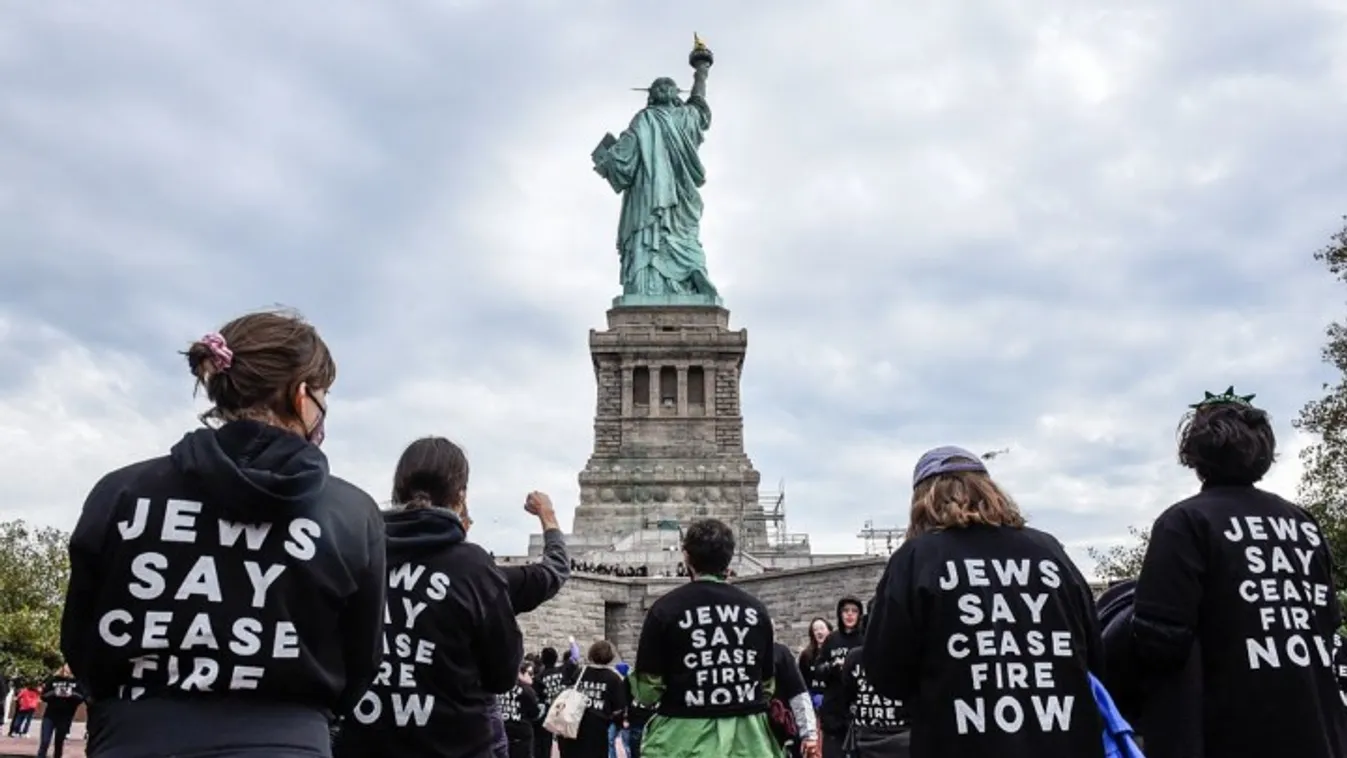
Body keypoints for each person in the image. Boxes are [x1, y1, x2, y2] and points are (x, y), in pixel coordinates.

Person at [58, 310, 386, 757]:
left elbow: (81, 634)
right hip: (288, 740)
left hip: (135, 735)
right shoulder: (353, 514)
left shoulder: (122, 492)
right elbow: (361, 657)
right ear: (301, 395)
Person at [1131, 387, 1347, 758]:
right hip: (1318, 729)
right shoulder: (1302, 522)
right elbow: (1327, 623)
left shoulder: (1184, 522)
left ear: (1194, 454)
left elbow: (1159, 642)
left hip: (1229, 732)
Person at [864, 445, 1104, 758]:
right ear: (989, 490)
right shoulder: (1049, 551)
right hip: (1065, 742)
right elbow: (1094, 653)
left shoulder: (916, 559)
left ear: (923, 499)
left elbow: (885, 675)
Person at [335, 436, 525, 758]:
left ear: (397, 489)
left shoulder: (354, 554)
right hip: (456, 746)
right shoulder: (472, 567)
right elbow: (503, 673)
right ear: (460, 497)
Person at [629, 518, 777, 758]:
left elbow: (647, 691)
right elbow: (767, 685)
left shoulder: (665, 609)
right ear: (729, 557)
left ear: (686, 556)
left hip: (681, 740)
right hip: (749, 742)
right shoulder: (757, 611)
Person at [829, 642, 909, 758]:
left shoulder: (855, 656)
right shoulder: (913, 652)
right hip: (891, 735)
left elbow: (847, 695)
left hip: (875, 735)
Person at [555, 640, 627, 758]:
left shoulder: (580, 672)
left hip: (575, 725)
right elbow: (619, 708)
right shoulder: (614, 679)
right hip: (598, 730)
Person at [815, 597, 865, 758]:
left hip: (857, 708)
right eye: (846, 611)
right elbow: (818, 669)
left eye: (854, 611)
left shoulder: (864, 638)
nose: (850, 615)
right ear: (840, 614)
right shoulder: (832, 639)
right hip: (833, 709)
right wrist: (833, 666)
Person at [37, 664, 84, 758]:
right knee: (45, 741)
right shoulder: (53, 680)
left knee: (59, 741)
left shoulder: (76, 682)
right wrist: (54, 693)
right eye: (65, 667)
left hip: (65, 716)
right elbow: (43, 696)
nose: (66, 670)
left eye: (69, 668)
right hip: (50, 715)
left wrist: (71, 694)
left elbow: (81, 698)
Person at [500, 663, 544, 758]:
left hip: (502, 731)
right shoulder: (527, 690)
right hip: (521, 734)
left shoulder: (498, 688)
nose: (532, 677)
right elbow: (535, 713)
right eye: (530, 673)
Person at [533, 647, 569, 758]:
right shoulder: (563, 671)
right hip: (563, 711)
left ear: (542, 660)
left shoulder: (539, 677)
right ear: (556, 658)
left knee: (543, 746)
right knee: (565, 746)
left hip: (547, 714)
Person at [797, 618, 832, 704]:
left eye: (822, 628)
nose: (819, 632)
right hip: (813, 698)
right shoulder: (806, 655)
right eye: (815, 630)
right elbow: (802, 681)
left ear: (829, 630)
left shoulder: (836, 651)